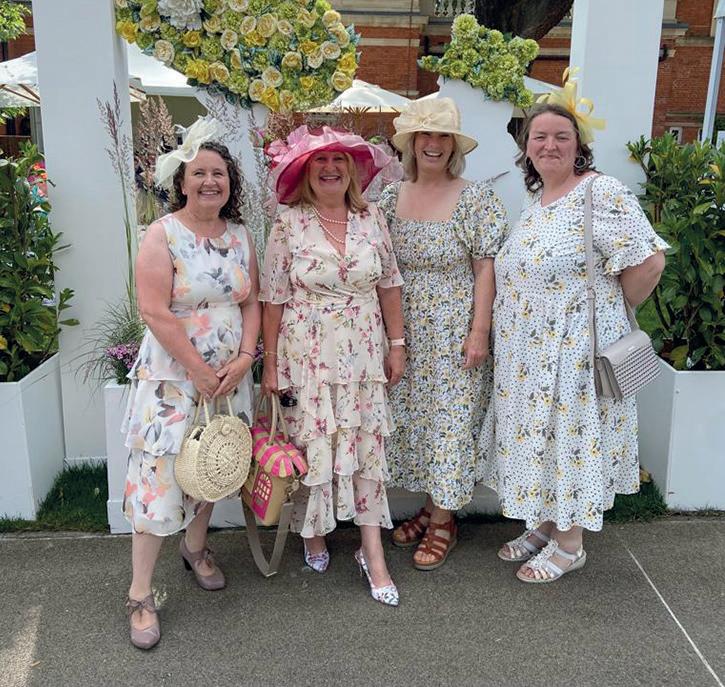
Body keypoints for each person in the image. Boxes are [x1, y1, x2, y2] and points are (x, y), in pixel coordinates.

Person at [479, 87, 668, 583]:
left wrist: (613, 308)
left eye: (561, 136)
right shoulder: (537, 197)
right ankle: (544, 525)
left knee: (568, 440)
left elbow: (650, 261)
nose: (550, 145)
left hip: (573, 351)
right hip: (528, 352)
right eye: (539, 136)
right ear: (526, 146)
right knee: (540, 438)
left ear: (578, 144)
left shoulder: (600, 192)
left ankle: (570, 545)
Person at [122, 118, 261, 647]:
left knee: (212, 464)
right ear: (180, 181)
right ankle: (140, 593)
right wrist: (198, 371)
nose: (209, 181)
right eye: (198, 173)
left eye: (218, 173)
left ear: (230, 182)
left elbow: (250, 301)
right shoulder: (162, 234)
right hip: (174, 381)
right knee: (159, 480)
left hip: (227, 378)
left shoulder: (240, 235)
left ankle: (196, 547)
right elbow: (154, 310)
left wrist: (245, 358)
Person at [260, 125, 405, 606]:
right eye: (319, 161)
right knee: (313, 439)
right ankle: (312, 530)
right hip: (308, 353)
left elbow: (389, 283)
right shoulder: (288, 223)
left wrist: (397, 344)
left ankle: (372, 552)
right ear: (305, 172)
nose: (329, 168)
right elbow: (273, 299)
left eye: (338, 160)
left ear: (352, 170)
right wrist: (270, 365)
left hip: (363, 351)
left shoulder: (372, 217)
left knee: (365, 444)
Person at [377, 98, 508, 571]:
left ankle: (443, 522)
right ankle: (433, 506)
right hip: (405, 329)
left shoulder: (475, 199)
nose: (433, 144)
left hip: (454, 329)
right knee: (418, 421)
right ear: (411, 144)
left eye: (442, 137)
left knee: (452, 422)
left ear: (454, 146)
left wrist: (480, 331)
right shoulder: (390, 197)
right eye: (424, 136)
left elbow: (485, 268)